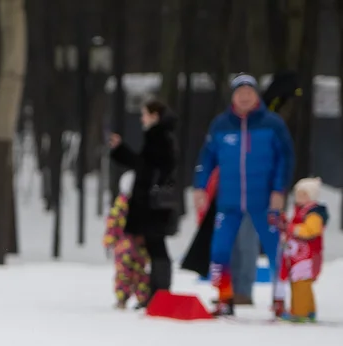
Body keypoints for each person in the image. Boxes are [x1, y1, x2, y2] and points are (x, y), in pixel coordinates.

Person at [193, 74, 295, 316]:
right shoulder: (220, 124)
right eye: (240, 92)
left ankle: (279, 300)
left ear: (256, 95)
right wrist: (200, 186)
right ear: (233, 96)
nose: (245, 97)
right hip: (229, 201)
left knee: (275, 251)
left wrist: (279, 190)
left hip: (264, 200)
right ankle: (224, 298)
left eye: (249, 92)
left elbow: (286, 158)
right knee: (219, 251)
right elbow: (206, 158)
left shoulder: (272, 123)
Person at [108, 99, 179, 305]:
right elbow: (144, 165)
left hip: (152, 203)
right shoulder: (159, 137)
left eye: (145, 114)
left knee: (156, 246)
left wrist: (122, 151)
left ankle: (159, 294)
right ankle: (156, 293)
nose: (142, 119)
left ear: (155, 116)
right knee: (153, 246)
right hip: (152, 202)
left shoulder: (158, 137)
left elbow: (146, 167)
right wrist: (121, 150)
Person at [276, 177, 328, 322]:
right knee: (300, 284)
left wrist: (292, 229)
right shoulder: (300, 211)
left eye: (303, 194)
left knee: (301, 284)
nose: (298, 197)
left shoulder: (314, 213)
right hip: (299, 256)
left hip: (308, 257)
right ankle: (308, 310)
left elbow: (311, 230)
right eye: (297, 193)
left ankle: (300, 312)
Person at [104, 172, 150, 309]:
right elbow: (113, 223)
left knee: (127, 273)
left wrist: (109, 240)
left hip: (129, 247)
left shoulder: (122, 204)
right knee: (137, 273)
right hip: (131, 246)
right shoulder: (132, 204)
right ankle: (137, 298)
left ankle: (126, 298)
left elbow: (112, 223)